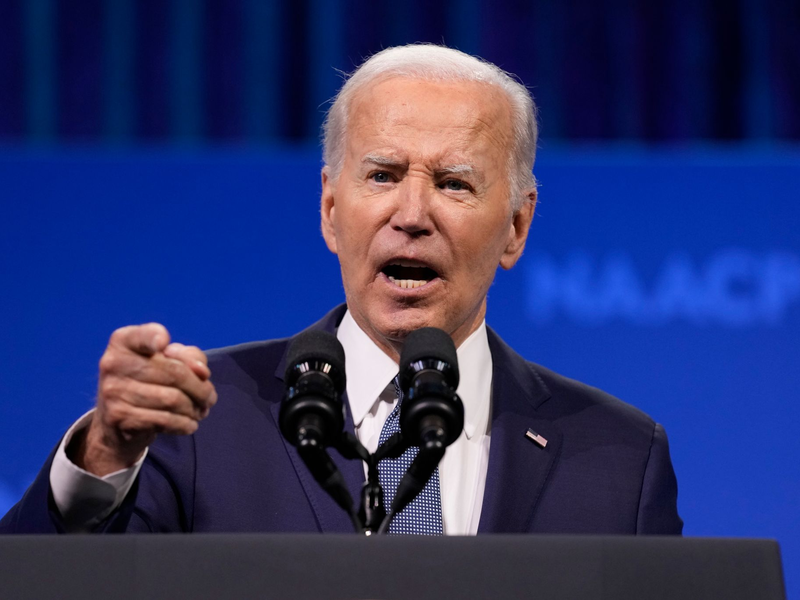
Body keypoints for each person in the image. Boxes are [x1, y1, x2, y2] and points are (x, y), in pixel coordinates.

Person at [0, 44, 682, 535]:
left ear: (516, 227)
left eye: (454, 183)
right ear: (331, 209)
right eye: (382, 175)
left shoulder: (620, 457)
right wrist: (104, 459)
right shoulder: (203, 420)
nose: (411, 215)